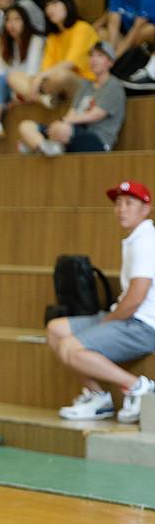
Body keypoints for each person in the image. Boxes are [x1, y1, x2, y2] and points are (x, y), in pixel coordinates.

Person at [48, 180, 155, 424]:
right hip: (127, 318)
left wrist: (107, 322)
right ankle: (98, 398)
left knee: (69, 347)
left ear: (146, 209)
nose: (121, 209)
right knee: (56, 330)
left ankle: (139, 386)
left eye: (129, 203)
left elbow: (135, 299)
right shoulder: (137, 238)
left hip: (143, 325)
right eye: (118, 203)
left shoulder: (146, 241)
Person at [17, 41, 126, 156]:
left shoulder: (113, 86)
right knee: (26, 126)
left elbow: (95, 115)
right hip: (72, 132)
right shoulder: (86, 86)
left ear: (110, 62)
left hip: (98, 140)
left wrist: (64, 122)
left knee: (62, 130)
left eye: (100, 56)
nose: (94, 59)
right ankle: (48, 147)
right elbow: (72, 112)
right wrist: (60, 124)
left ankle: (41, 146)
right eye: (92, 56)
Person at [8, 0, 99, 108]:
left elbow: (69, 64)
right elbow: (46, 68)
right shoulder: (52, 37)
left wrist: (39, 78)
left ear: (67, 4)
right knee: (13, 76)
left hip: (84, 82)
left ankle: (35, 96)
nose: (50, 9)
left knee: (61, 75)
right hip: (55, 84)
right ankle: (45, 100)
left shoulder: (82, 28)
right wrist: (38, 79)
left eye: (54, 3)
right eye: (47, 6)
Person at [0, 5, 45, 140]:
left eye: (17, 19)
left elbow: (33, 73)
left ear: (25, 21)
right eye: (8, 20)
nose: (12, 24)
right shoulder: (5, 43)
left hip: (30, 86)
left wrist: (15, 96)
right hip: (10, 88)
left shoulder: (36, 40)